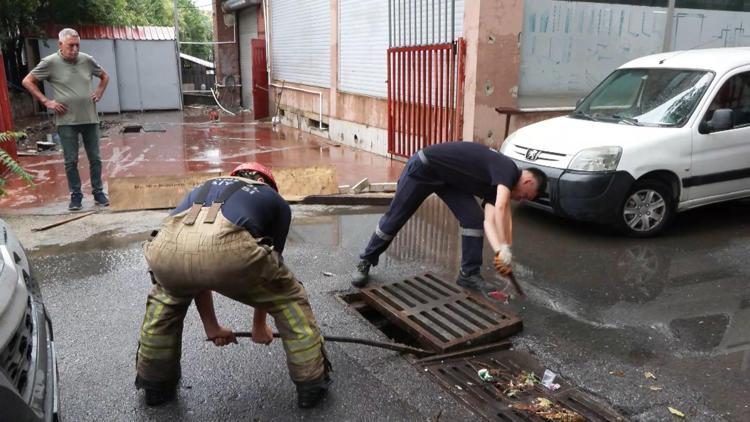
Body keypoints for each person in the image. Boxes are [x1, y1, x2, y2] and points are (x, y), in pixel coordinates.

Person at [135, 162, 331, 408]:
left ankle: (155, 386)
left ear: (235, 176)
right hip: (230, 254)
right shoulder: (273, 199)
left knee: (166, 299)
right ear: (266, 182)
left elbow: (196, 267)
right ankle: (311, 385)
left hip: (166, 252)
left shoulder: (203, 187)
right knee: (288, 299)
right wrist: (259, 326)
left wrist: (212, 326)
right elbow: (269, 269)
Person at [351, 141, 547, 292]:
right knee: (395, 218)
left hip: (449, 180)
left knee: (473, 219)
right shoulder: (508, 170)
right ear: (528, 181)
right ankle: (366, 260)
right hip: (424, 168)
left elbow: (490, 220)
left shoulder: (498, 185)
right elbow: (502, 206)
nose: (520, 199)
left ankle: (468, 274)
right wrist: (505, 245)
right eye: (525, 195)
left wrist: (499, 251)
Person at [22, 28, 110, 211]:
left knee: (95, 158)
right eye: (71, 46)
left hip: (90, 118)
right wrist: (46, 101)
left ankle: (98, 192)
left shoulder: (87, 60)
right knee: (71, 161)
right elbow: (27, 81)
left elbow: (104, 76)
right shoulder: (50, 62)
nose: (75, 49)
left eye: (78, 45)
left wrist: (99, 91)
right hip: (66, 120)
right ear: (60, 45)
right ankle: (76, 195)